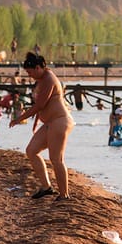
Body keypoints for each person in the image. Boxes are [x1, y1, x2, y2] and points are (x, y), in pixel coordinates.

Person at [11, 52, 74, 201]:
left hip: (60, 121)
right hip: (50, 123)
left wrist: (19, 118)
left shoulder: (48, 79)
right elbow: (43, 106)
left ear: (38, 67)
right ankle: (46, 187)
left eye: (30, 72)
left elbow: (40, 105)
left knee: (56, 159)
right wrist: (36, 121)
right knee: (31, 150)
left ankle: (64, 195)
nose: (30, 75)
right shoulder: (42, 79)